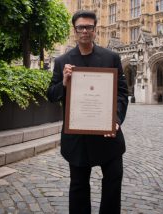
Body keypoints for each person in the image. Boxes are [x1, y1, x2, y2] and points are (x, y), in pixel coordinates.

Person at [47, 10, 128, 213]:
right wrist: (64, 83)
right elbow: (51, 94)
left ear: (94, 30)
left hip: (107, 135)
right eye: (81, 27)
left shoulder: (111, 57)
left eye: (89, 27)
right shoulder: (62, 61)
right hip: (78, 138)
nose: (85, 31)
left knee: (112, 183)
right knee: (78, 186)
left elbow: (121, 93)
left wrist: (115, 121)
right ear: (75, 31)